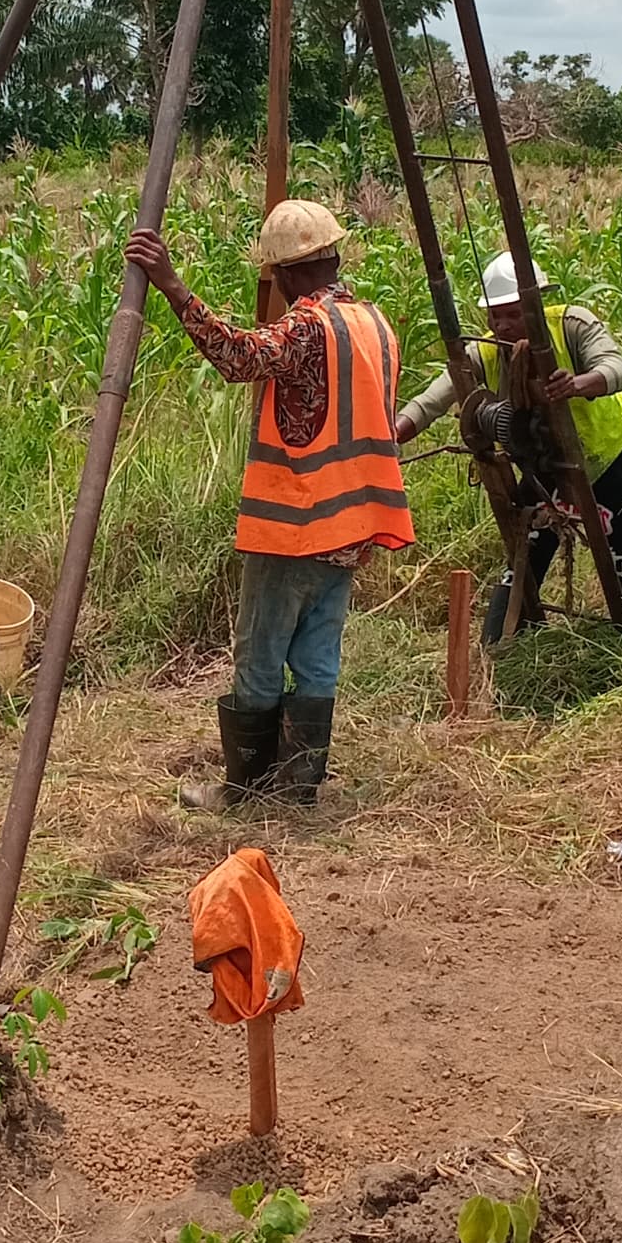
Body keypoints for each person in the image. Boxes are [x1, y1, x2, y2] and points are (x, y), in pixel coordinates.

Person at [126, 199, 413, 811]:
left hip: (297, 524)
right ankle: (300, 785)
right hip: (353, 524)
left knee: (259, 654)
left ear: (285, 274)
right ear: (333, 255)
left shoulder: (309, 326)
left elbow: (240, 357)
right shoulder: (374, 323)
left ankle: (246, 788)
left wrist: (173, 286)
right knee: (316, 656)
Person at [396, 249, 622, 635]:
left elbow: (616, 368)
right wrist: (395, 433)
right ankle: (502, 643)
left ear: (536, 303)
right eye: (497, 316)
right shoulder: (487, 353)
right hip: (545, 470)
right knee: (523, 562)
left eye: (515, 313)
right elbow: (435, 397)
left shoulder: (573, 325)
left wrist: (575, 385)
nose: (505, 325)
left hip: (611, 461)